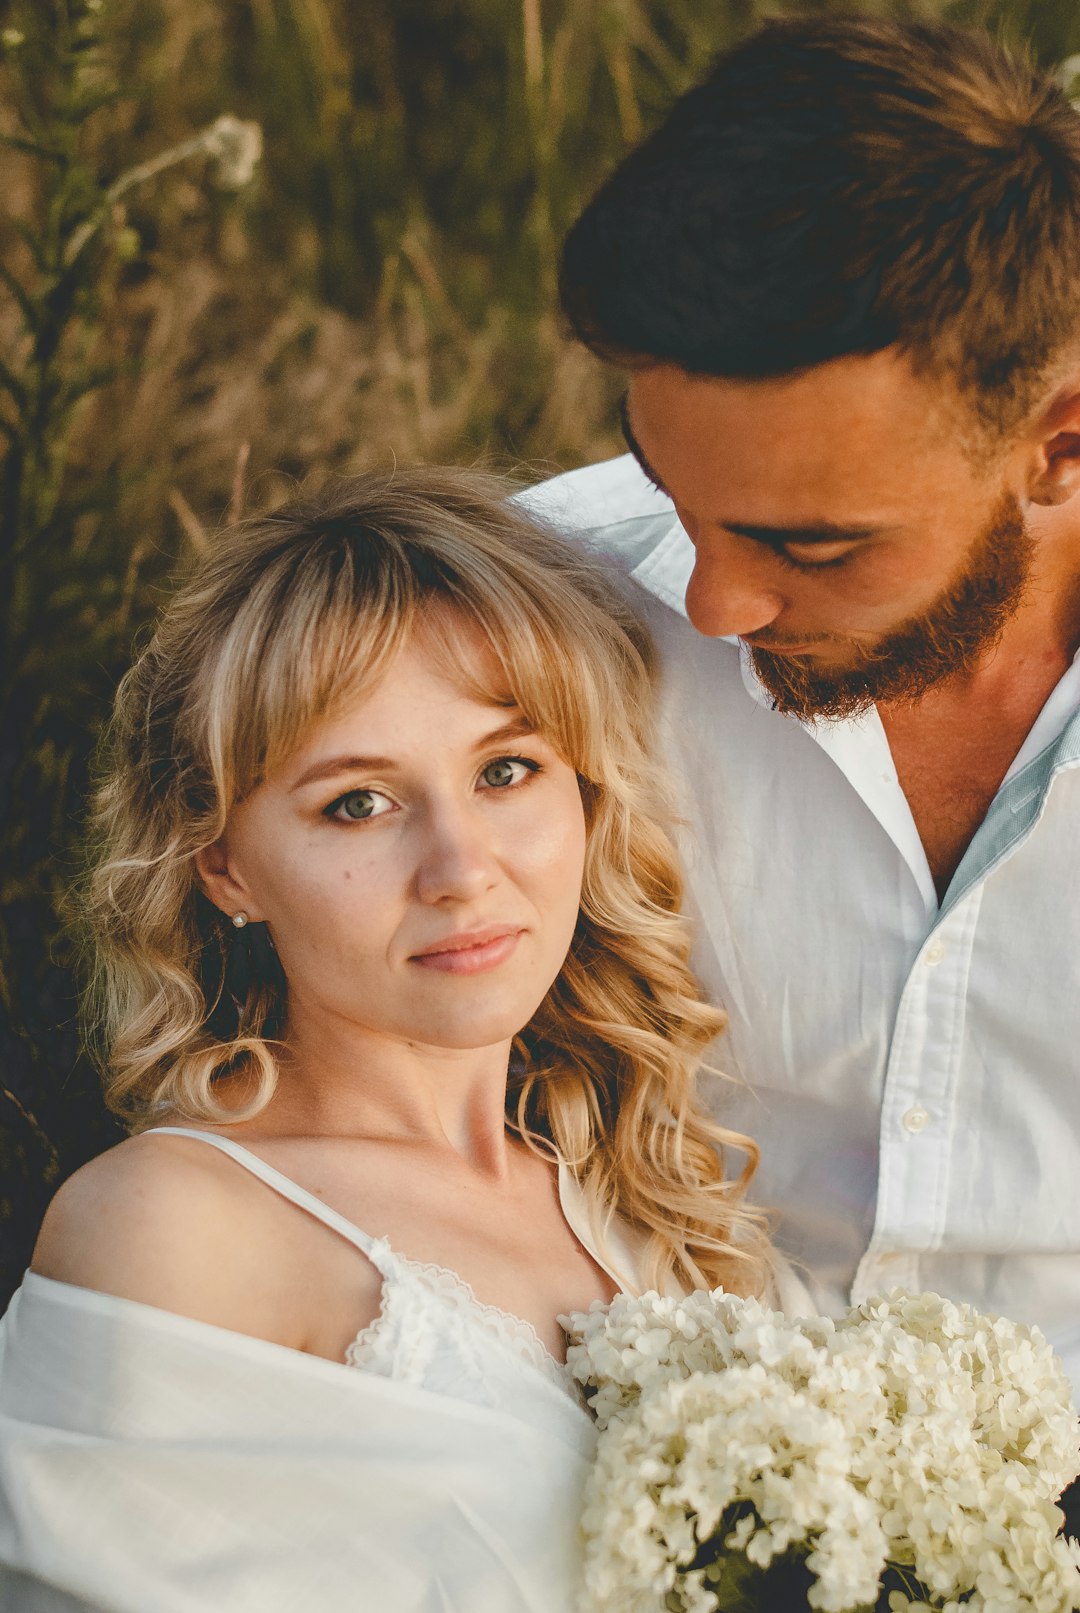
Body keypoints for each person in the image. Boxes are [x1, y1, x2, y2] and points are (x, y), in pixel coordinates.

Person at [0, 468, 783, 1613]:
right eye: (358, 802)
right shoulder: (173, 1230)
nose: (463, 868)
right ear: (225, 864)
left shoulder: (648, 1195)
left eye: (506, 770)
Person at [520, 15, 1080, 1409]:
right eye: (669, 487)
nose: (711, 605)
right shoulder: (533, 620)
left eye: (813, 547)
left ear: (1059, 450)